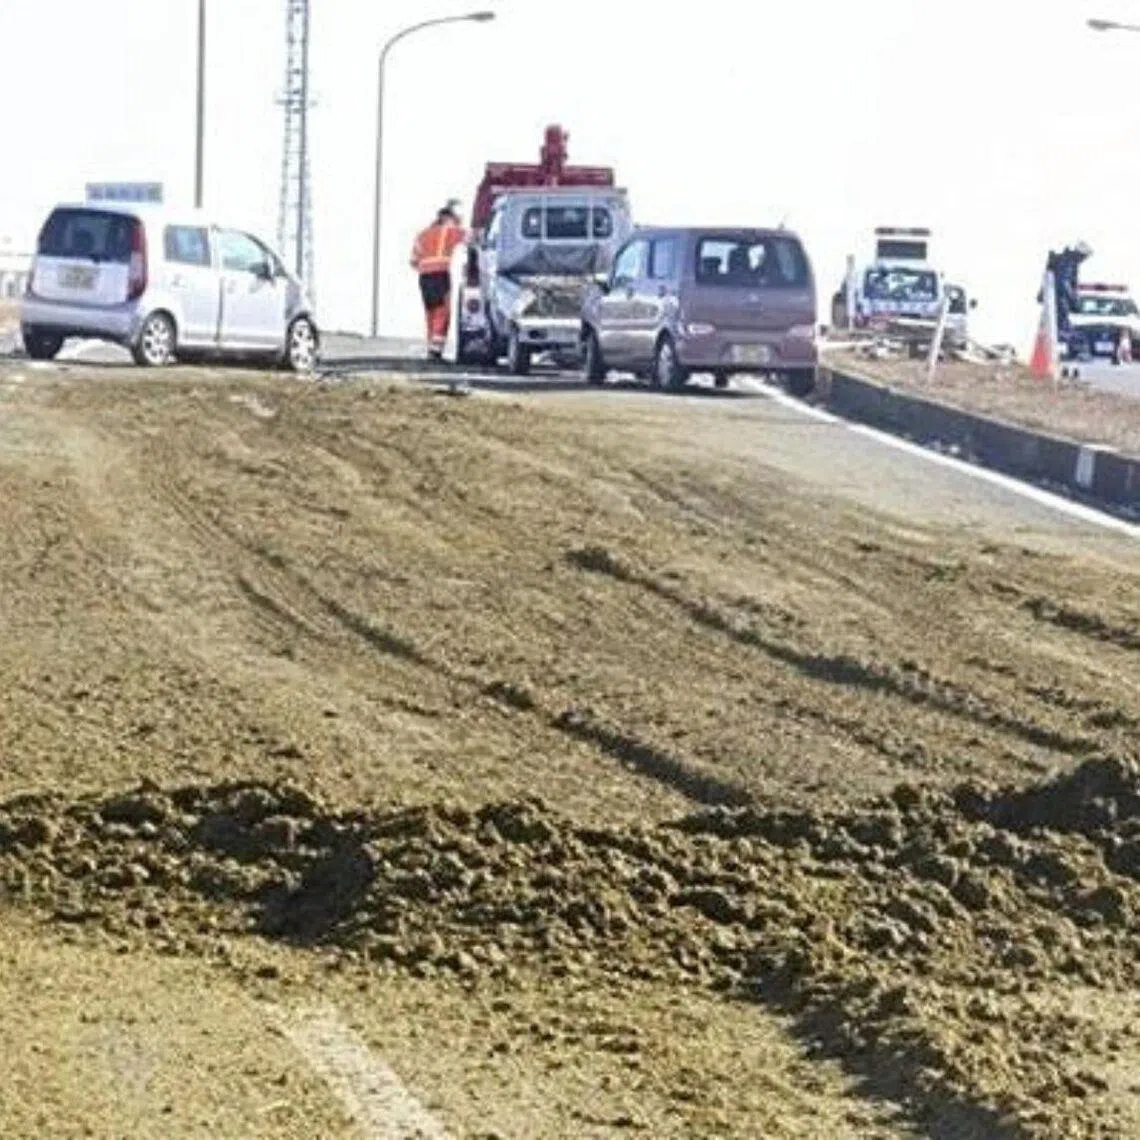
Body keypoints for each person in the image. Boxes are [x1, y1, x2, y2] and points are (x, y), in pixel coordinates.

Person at [410, 202, 466, 359]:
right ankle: (436, 349)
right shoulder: (451, 231)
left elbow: (414, 260)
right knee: (443, 311)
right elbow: (471, 238)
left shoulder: (422, 234)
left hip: (424, 277)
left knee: (431, 311)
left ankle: (431, 347)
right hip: (440, 274)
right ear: (449, 218)